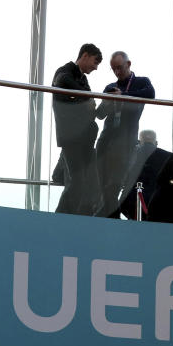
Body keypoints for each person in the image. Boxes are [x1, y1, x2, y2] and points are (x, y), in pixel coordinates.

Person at [94, 51, 155, 218]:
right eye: (113, 69)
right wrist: (107, 101)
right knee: (103, 183)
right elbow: (99, 114)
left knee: (113, 184)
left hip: (125, 141)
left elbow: (151, 95)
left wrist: (124, 96)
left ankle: (106, 217)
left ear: (128, 64)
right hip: (105, 139)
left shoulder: (141, 82)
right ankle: (110, 217)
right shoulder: (110, 87)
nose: (117, 72)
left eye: (119, 68)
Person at [52, 43, 102, 216]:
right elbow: (62, 82)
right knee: (77, 180)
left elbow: (89, 103)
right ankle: (62, 216)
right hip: (71, 137)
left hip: (84, 138)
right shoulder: (65, 72)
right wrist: (87, 99)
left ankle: (78, 214)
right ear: (85, 55)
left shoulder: (81, 79)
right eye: (95, 62)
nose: (95, 68)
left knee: (88, 181)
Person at [118, 129, 171, 220]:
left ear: (139, 141)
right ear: (156, 142)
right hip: (159, 202)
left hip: (131, 200)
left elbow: (121, 177)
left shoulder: (129, 155)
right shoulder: (169, 156)